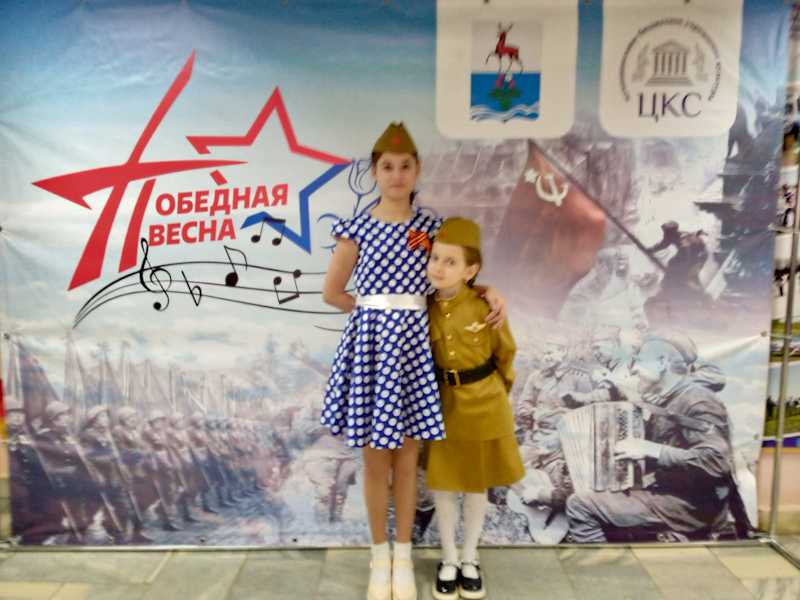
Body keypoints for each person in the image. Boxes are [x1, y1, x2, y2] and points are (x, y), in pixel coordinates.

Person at [320, 123, 504, 600]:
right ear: (374, 172)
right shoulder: (356, 228)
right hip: (373, 350)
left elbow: (451, 277)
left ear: (417, 170)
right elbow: (332, 292)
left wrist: (486, 289)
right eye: (387, 167)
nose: (397, 175)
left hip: (415, 351)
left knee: (406, 458)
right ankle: (378, 556)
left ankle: (403, 555)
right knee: (374, 459)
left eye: (405, 166)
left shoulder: (429, 228)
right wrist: (373, 316)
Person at [424, 217, 524, 600]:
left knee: (475, 487)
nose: (438, 267)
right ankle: (448, 558)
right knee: (445, 487)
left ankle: (470, 557)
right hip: (443, 407)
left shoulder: (486, 307)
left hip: (484, 405)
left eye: (450, 261)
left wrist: (496, 395)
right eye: (435, 258)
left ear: (471, 270)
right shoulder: (424, 307)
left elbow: (506, 355)